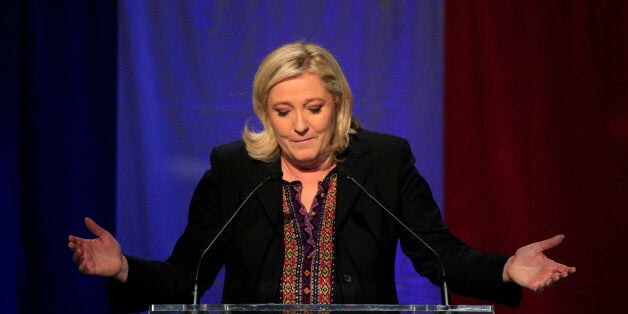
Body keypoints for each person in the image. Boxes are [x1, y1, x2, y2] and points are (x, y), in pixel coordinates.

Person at [68, 42, 575, 312]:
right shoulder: (234, 171)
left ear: (337, 105)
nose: (301, 125)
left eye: (314, 107)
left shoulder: (383, 162)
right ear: (266, 114)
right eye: (283, 111)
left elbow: (441, 256)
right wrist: (123, 269)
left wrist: (507, 268)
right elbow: (187, 277)